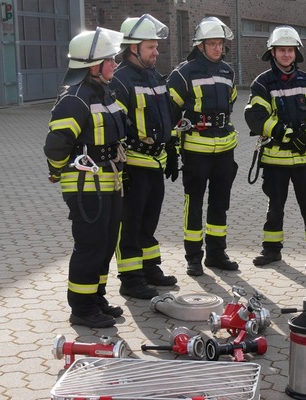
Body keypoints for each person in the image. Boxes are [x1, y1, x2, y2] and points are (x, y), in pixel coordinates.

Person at [43, 27, 127, 328]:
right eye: (111, 60)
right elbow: (56, 146)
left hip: (108, 183)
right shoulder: (74, 99)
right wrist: (58, 171)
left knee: (105, 244)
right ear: (94, 66)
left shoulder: (104, 93)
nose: (115, 64)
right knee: (90, 246)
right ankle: (81, 308)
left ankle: (96, 298)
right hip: (86, 187)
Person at [244, 26, 306, 267]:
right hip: (275, 160)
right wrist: (284, 133)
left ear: (296, 53)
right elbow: (256, 116)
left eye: (290, 50)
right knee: (275, 208)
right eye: (281, 50)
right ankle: (271, 250)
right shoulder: (262, 84)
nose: (286, 55)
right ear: (272, 53)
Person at [109, 14, 177, 300]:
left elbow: (165, 116)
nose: (156, 52)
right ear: (133, 48)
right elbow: (115, 126)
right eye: (151, 47)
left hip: (155, 161)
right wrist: (120, 166)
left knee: (149, 221)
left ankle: (150, 268)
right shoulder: (120, 81)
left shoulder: (154, 76)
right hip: (134, 165)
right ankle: (131, 278)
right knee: (131, 222)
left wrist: (171, 147)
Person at [166, 17, 240, 277]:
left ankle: (217, 254)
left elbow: (229, 105)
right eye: (212, 44)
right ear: (200, 45)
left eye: (220, 43)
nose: (217, 48)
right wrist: (172, 152)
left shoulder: (227, 72)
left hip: (224, 149)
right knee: (194, 203)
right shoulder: (183, 73)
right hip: (196, 150)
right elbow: (170, 113)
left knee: (220, 203)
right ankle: (194, 257)